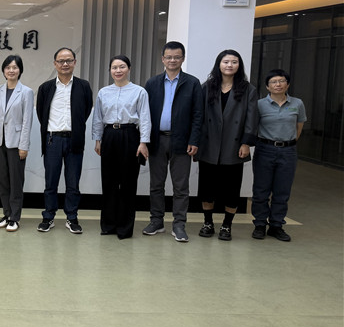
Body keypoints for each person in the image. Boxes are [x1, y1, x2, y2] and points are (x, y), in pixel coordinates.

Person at [142, 41, 203, 242]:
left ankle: (179, 225)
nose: (172, 60)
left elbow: (198, 115)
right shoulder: (152, 83)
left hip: (182, 141)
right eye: (168, 57)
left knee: (181, 187)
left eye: (177, 57)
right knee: (156, 185)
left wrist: (194, 140)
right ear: (163, 59)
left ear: (183, 59)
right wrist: (144, 140)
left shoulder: (192, 83)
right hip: (157, 140)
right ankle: (156, 221)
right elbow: (145, 114)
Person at [195, 49, 258, 241]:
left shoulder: (248, 89)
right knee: (207, 188)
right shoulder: (207, 86)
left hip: (234, 144)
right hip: (209, 144)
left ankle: (227, 225)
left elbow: (251, 118)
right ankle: (208, 222)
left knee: (232, 189)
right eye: (226, 62)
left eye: (234, 62)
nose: (230, 65)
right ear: (219, 64)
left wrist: (246, 143)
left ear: (239, 65)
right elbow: (199, 115)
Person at [92, 55, 151, 240]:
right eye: (114, 67)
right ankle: (109, 225)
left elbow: (145, 118)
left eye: (122, 66)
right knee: (108, 182)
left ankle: (125, 228)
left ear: (129, 69)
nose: (118, 70)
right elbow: (98, 118)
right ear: (110, 70)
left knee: (128, 182)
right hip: (109, 135)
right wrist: (97, 139)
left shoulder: (139, 92)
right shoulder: (103, 92)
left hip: (130, 135)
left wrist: (143, 142)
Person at [35, 47, 93, 233]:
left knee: (73, 182)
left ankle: (72, 217)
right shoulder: (46, 88)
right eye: (61, 61)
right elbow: (41, 113)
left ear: (75, 62)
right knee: (50, 182)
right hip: (52, 140)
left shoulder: (83, 86)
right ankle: (48, 216)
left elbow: (86, 111)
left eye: (69, 60)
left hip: (74, 139)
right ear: (55, 64)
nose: (65, 64)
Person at [251, 69, 306, 242]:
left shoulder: (297, 103)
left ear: (287, 84)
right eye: (273, 82)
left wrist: (288, 143)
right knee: (261, 190)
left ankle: (276, 226)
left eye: (281, 81)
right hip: (265, 149)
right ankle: (260, 224)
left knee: (282, 191)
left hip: (288, 151)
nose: (278, 84)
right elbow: (253, 126)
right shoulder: (259, 104)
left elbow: (299, 127)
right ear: (267, 86)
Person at [0, 55, 34, 232]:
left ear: (20, 70)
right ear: (3, 70)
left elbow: (27, 121)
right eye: (8, 67)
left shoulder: (26, 92)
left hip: (16, 144)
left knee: (16, 181)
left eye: (15, 67)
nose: (11, 70)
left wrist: (24, 145)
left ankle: (15, 217)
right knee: (3, 180)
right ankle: (6, 214)